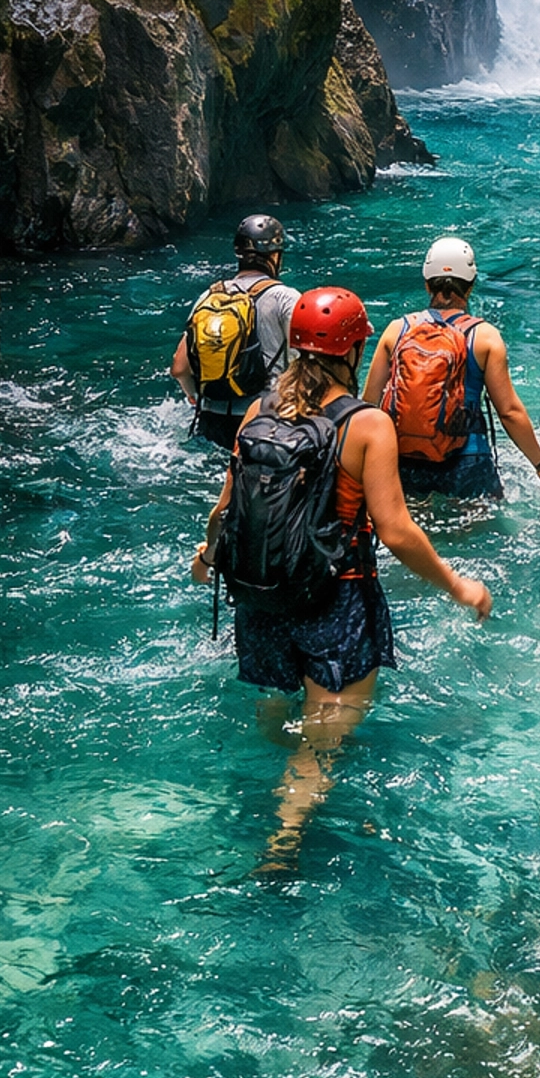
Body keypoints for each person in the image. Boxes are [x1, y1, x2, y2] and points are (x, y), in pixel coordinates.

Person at [192, 286, 491, 871]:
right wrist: (458, 584)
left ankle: (264, 798)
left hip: (260, 596)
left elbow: (227, 508)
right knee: (325, 736)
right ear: (353, 350)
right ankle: (285, 837)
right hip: (337, 596)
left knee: (277, 706)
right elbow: (397, 531)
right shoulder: (367, 425)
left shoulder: (258, 413)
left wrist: (206, 558)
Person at [363, 237, 540, 500]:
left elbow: (368, 405)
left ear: (426, 284)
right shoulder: (485, 337)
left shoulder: (396, 330)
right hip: (467, 462)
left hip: (405, 459)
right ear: (470, 288)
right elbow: (509, 412)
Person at [170, 214, 300, 449]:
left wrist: (194, 397)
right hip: (263, 422)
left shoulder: (209, 297)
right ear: (274, 256)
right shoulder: (285, 298)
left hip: (211, 421)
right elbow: (305, 363)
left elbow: (179, 367)